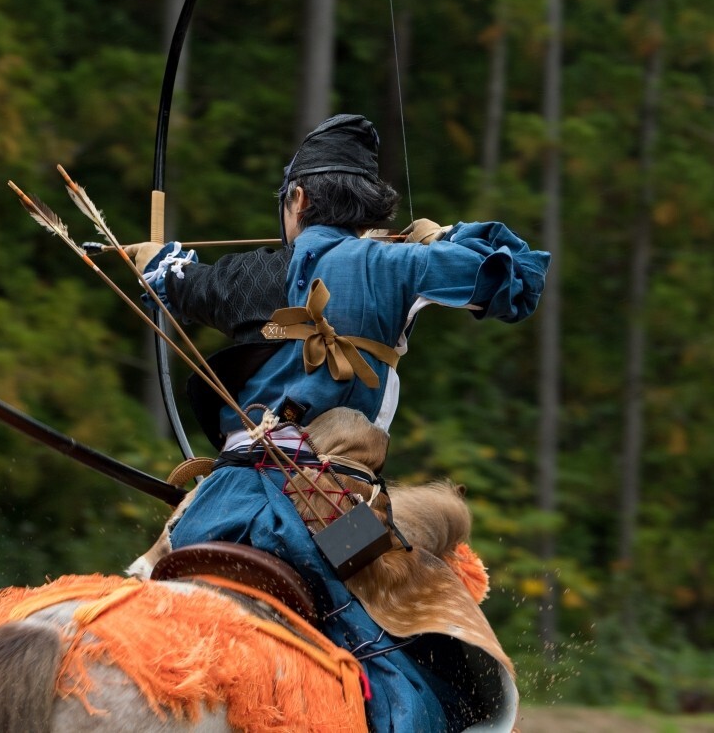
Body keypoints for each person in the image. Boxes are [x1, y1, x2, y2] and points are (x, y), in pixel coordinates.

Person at [124, 113, 550, 732]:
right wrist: (454, 237)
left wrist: (157, 261)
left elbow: (180, 282)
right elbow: (519, 280)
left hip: (216, 503)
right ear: (369, 209)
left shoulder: (248, 277)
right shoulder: (397, 265)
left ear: (298, 199)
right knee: (410, 640)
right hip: (332, 512)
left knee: (132, 596)